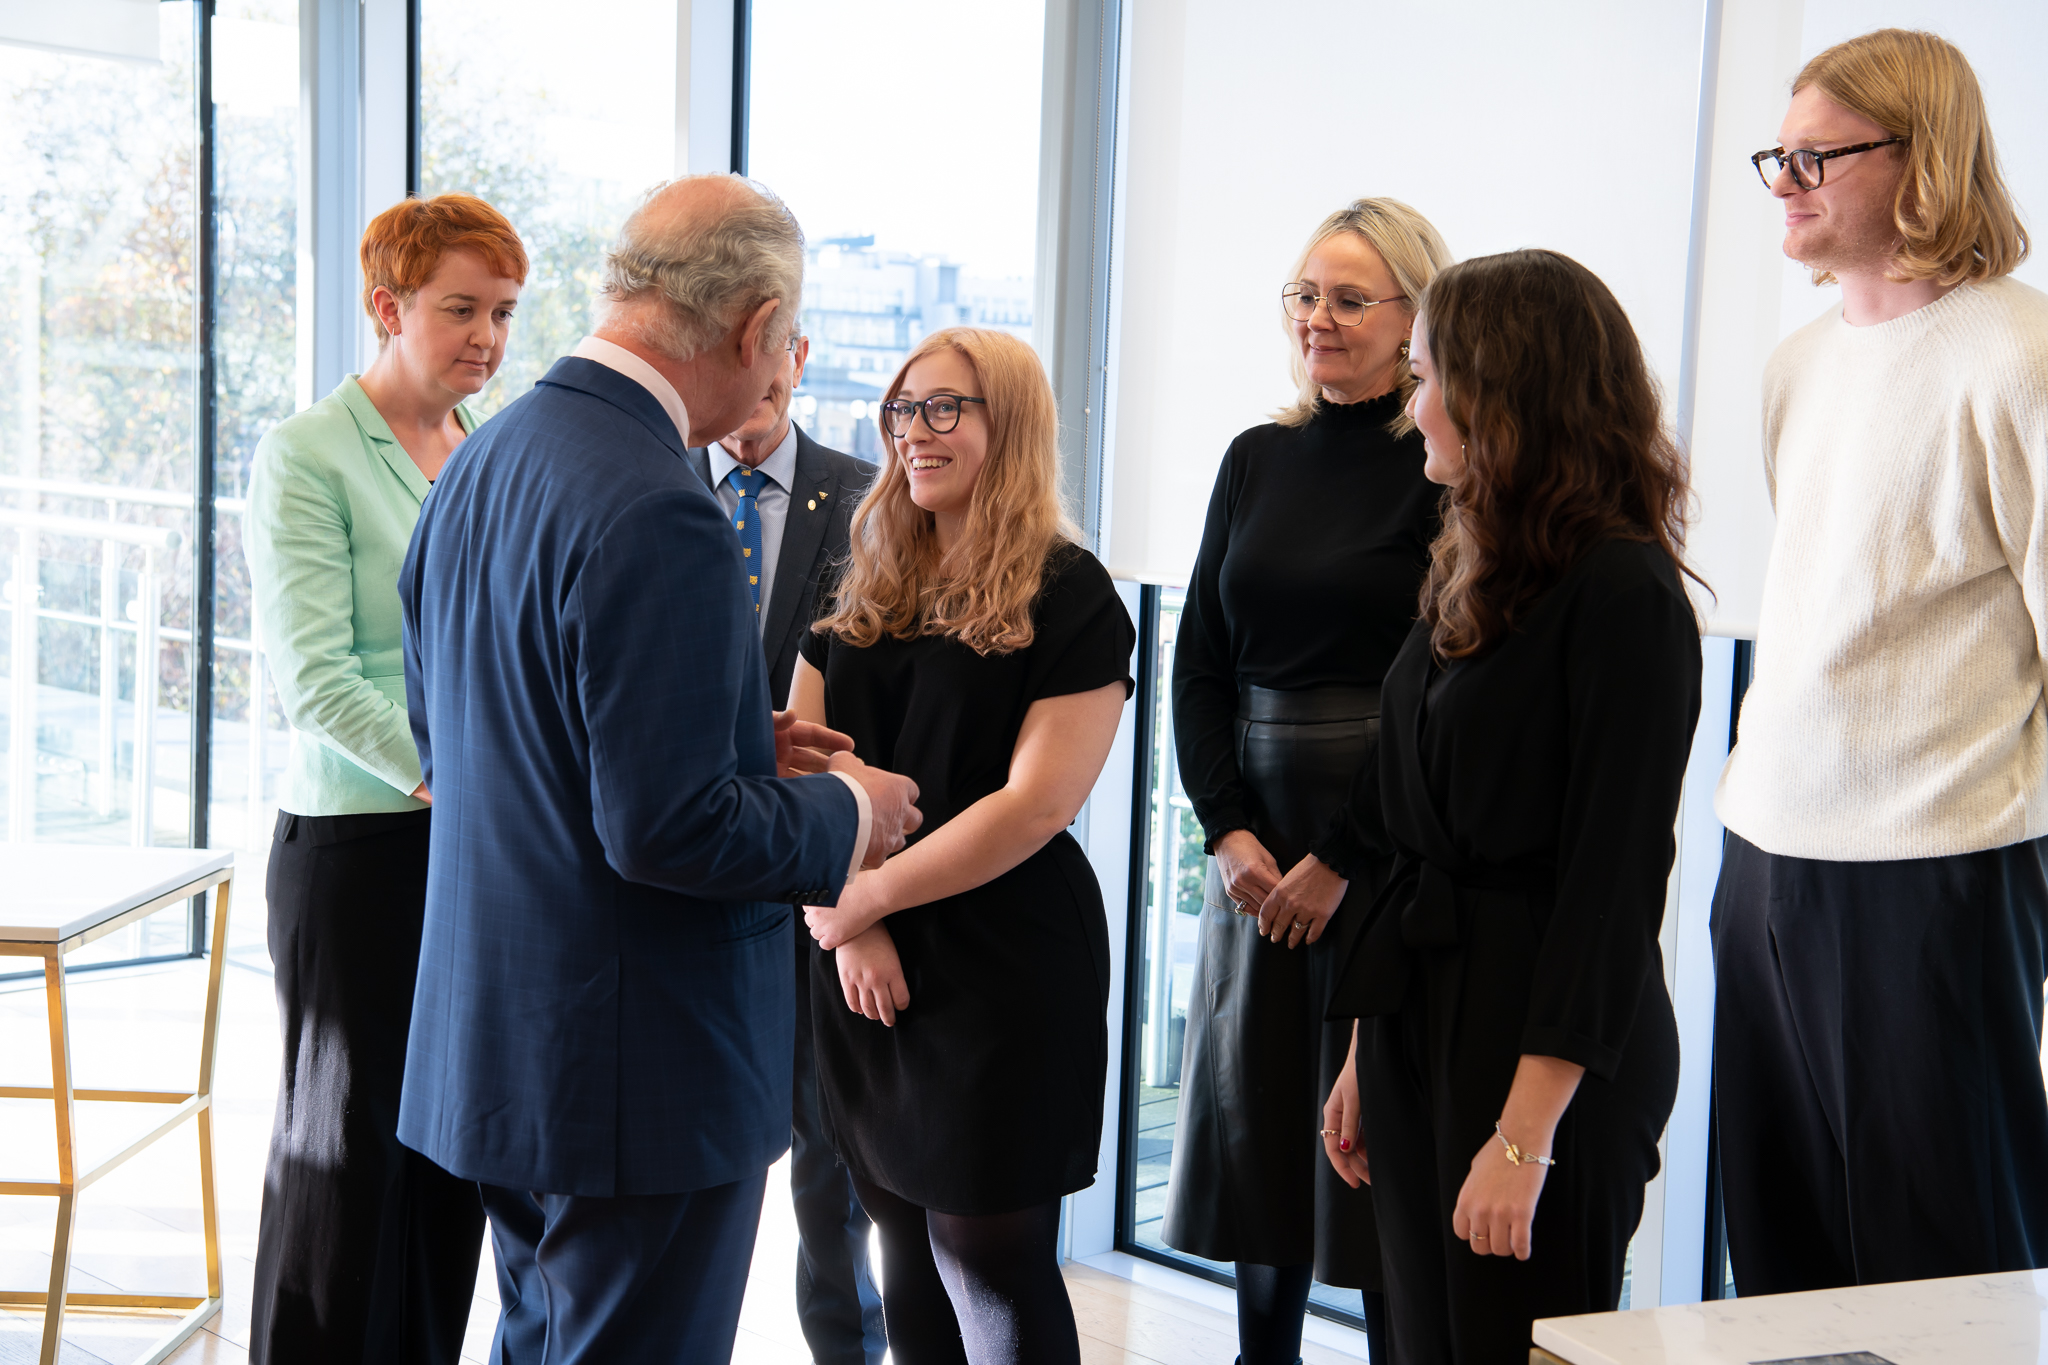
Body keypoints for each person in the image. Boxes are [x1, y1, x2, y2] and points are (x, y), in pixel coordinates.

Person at [394, 174, 921, 1365]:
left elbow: (462, 733)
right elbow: (669, 832)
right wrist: (847, 809)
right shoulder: (661, 505)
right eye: (787, 343)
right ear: (753, 329)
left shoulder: (486, 457)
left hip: (505, 1044)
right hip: (637, 1075)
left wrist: (734, 739)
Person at [1713, 28, 2048, 1294]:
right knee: (1778, 1247)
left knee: (1944, 1268)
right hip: (1763, 860)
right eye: (1775, 155)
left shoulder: (2017, 356)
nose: (1785, 180)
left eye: (1815, 155)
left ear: (1920, 158)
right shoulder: (1797, 366)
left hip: (1937, 867)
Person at [1323, 249, 1700, 1363]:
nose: (1414, 403)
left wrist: (1525, 1138)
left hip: (1543, 1046)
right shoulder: (1469, 561)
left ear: (1507, 392)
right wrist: (1361, 1050)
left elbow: (1611, 890)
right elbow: (1403, 833)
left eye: (1432, 375)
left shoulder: (1625, 593)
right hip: (1420, 1015)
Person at [795, 327, 1134, 1365]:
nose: (914, 432)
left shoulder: (1069, 592)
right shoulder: (863, 578)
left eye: (946, 408)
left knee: (987, 1255)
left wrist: (866, 900)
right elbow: (803, 765)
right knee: (898, 1237)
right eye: (904, 408)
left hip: (1004, 960)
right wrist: (848, 923)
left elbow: (1033, 806)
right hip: (858, 950)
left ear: (1011, 425)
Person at [1161, 197, 1452, 1363]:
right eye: (1301, 294)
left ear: (1412, 318)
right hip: (1255, 851)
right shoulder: (1255, 457)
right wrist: (1226, 832)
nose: (1315, 320)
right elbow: (1197, 663)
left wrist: (1343, 856)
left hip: (1376, 840)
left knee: (1367, 1147)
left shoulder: (1437, 466)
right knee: (1260, 1147)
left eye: (1346, 298)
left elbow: (1435, 690)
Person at [243, 192, 525, 1365]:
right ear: (385, 306)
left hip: (466, 848)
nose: (487, 338)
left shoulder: (487, 447)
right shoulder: (306, 453)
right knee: (345, 1163)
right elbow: (316, 680)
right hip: (360, 850)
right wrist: (474, 785)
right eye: (460, 309)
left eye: (505, 313)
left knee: (446, 1159)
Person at [688, 328, 884, 1365]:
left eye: (769, 365)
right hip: (691, 873)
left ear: (795, 358)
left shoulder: (867, 499)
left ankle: (844, 1350)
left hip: (815, 872)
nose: (753, 392)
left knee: (828, 1166)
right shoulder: (657, 486)